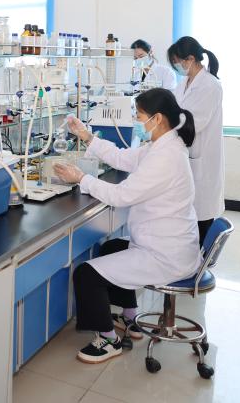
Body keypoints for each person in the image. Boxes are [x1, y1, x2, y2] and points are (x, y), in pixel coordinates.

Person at [53, 88, 202, 364]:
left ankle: (108, 340)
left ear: (157, 118)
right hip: (168, 242)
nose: (136, 120)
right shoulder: (163, 145)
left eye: (139, 115)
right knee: (112, 247)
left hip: (166, 255)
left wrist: (81, 178)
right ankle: (130, 318)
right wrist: (87, 136)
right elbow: (124, 158)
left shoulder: (165, 157)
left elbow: (121, 196)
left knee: (86, 274)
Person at [168, 36, 224, 246]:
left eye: (177, 61)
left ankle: (198, 261)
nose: (177, 66)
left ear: (190, 58)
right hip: (186, 156)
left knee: (201, 220)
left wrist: (162, 127)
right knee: (188, 221)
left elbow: (194, 122)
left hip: (201, 159)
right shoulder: (184, 83)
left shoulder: (210, 85)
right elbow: (174, 109)